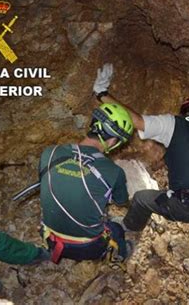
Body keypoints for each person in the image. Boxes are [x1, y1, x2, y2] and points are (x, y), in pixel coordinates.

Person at [92, 64, 189, 240]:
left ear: (185, 110)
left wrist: (102, 93)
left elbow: (137, 121)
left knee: (142, 198)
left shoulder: (175, 123)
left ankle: (128, 228)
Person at [38, 85, 135, 264]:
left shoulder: (49, 153)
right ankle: (118, 254)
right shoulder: (113, 172)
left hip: (50, 239)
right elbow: (121, 201)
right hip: (86, 248)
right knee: (116, 229)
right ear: (113, 141)